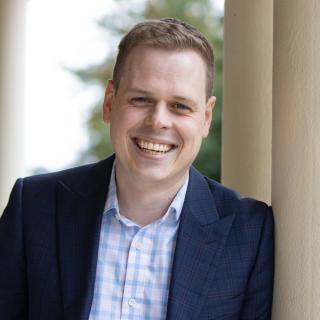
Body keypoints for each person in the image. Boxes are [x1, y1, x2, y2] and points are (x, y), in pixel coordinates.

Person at [0, 18, 274, 320]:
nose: (158, 121)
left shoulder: (248, 231)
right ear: (109, 102)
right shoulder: (34, 207)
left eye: (180, 105)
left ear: (206, 117)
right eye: (141, 99)